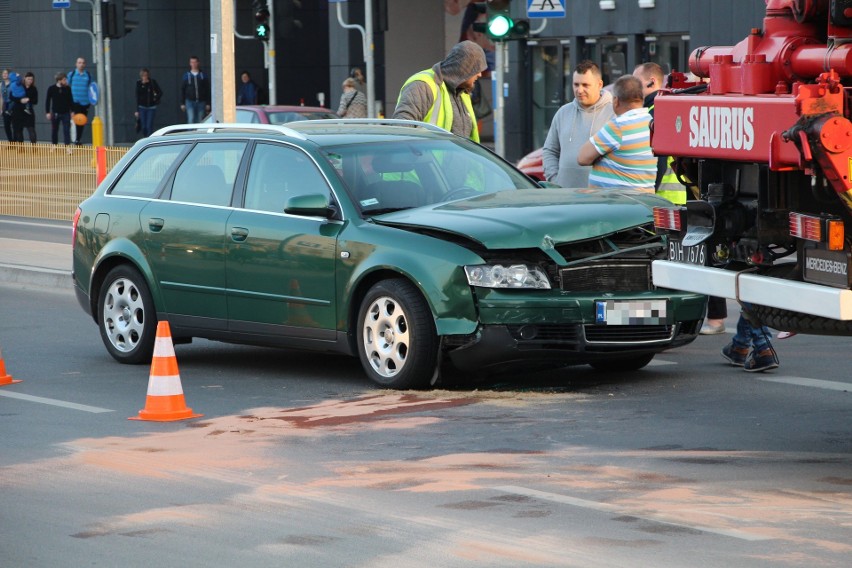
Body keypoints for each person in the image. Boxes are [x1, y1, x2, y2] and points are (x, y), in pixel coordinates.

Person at [393, 40, 487, 142]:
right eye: (477, 69)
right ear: (465, 68)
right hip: (425, 158)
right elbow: (401, 129)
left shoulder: (463, 93)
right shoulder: (423, 86)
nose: (479, 75)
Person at [577, 74, 657, 192]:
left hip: (618, 203)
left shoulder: (619, 126)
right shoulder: (651, 123)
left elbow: (582, 158)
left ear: (616, 101)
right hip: (643, 199)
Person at [542, 60, 615, 188]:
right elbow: (550, 150)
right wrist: (555, 179)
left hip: (599, 198)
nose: (579, 90)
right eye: (576, 84)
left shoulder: (613, 114)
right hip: (565, 197)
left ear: (599, 85)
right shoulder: (563, 112)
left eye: (585, 85)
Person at [68, 57, 92, 145]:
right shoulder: (72, 74)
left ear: (85, 64)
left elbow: (92, 88)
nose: (81, 64)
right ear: (76, 64)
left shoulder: (88, 75)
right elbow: (67, 86)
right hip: (75, 102)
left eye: (83, 63)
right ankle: (75, 139)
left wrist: (91, 101)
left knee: (82, 121)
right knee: (76, 120)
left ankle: (78, 138)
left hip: (85, 102)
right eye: (79, 63)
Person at [45, 72, 73, 146]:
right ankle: (54, 145)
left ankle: (67, 146)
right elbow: (48, 101)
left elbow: (71, 100)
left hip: (66, 112)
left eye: (65, 79)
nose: (65, 81)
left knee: (66, 130)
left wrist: (72, 111)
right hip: (55, 113)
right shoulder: (51, 88)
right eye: (64, 80)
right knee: (54, 130)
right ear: (59, 80)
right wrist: (47, 112)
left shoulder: (67, 88)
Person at [180, 56, 210, 123]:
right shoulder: (186, 75)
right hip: (190, 101)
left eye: (195, 62)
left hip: (201, 101)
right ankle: (191, 133)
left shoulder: (203, 75)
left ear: (198, 63)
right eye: (192, 62)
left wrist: (208, 103)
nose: (193, 64)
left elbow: (207, 89)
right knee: (191, 119)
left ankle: (199, 133)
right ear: (190, 63)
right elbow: (183, 89)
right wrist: (182, 103)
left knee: (200, 120)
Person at [135, 68, 162, 138]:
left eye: (146, 75)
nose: (144, 77)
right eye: (143, 76)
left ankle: (149, 139)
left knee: (149, 126)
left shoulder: (152, 82)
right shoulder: (139, 83)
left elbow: (160, 92)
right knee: (144, 126)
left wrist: (155, 99)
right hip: (142, 107)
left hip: (151, 107)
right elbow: (137, 96)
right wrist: (137, 110)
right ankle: (145, 137)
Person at [11, 72, 37, 143]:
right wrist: (20, 100)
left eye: (31, 79)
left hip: (28, 112)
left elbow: (35, 101)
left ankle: (34, 148)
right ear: (24, 79)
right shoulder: (18, 86)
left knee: (31, 129)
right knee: (18, 130)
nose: (30, 81)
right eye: (28, 79)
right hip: (18, 111)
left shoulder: (33, 89)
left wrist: (29, 99)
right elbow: (11, 97)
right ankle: (21, 148)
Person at [1, 69, 13, 142]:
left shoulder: (13, 84)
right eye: (3, 73)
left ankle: (15, 141)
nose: (4, 75)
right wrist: (1, 109)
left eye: (6, 73)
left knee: (15, 125)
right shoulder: (1, 84)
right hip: (5, 105)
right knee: (6, 125)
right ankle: (11, 141)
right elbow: (1, 97)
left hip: (13, 105)